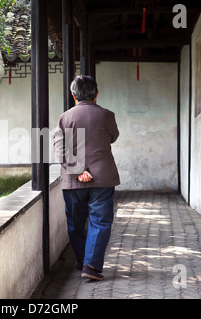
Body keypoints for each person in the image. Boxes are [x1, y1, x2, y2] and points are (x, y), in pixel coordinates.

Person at [53, 75, 120, 281]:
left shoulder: (64, 118)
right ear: (96, 93)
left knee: (75, 223)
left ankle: (83, 261)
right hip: (102, 178)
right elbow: (113, 137)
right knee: (100, 222)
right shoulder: (107, 115)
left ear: (73, 95)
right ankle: (90, 265)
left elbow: (59, 149)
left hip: (73, 182)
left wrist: (78, 169)